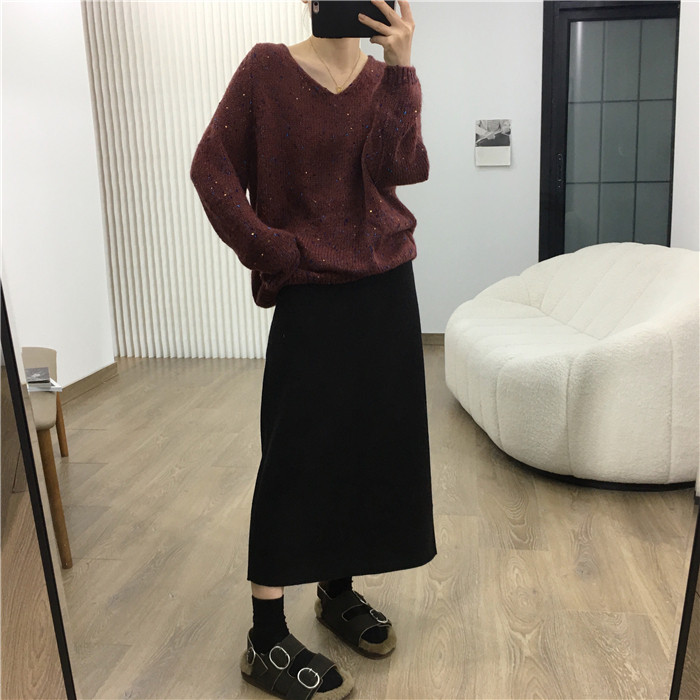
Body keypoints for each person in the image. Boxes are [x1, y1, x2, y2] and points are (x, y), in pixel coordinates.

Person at [190, 1, 436, 697]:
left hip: (387, 288)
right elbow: (211, 170)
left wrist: (401, 68)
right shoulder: (267, 70)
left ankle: (336, 590)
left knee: (364, 446)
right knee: (295, 454)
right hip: (310, 295)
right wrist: (272, 249)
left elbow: (400, 168)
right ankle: (265, 638)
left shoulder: (382, 78)